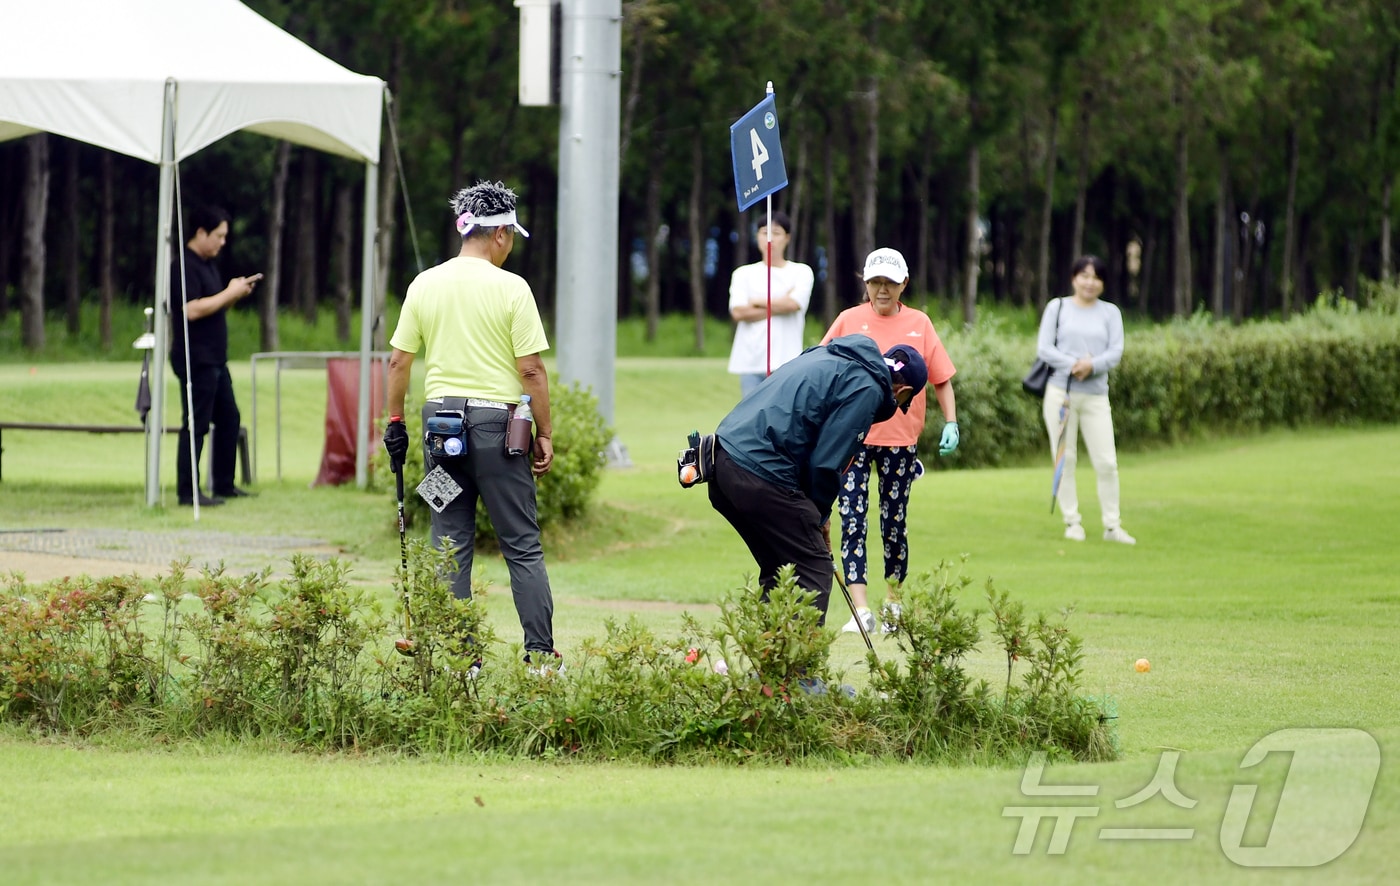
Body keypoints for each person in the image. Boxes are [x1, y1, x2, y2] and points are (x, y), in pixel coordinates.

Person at [382, 180, 561, 666]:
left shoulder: (424, 283)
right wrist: (544, 432)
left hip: (440, 431)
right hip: (499, 430)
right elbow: (530, 370)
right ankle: (540, 657)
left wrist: (395, 422)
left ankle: (463, 661)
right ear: (500, 233)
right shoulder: (512, 288)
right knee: (521, 545)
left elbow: (398, 363)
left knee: (449, 541)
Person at [708, 333, 928, 626]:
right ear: (904, 389)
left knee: (781, 568)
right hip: (760, 471)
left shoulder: (828, 356)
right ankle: (798, 672)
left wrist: (814, 514)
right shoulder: (868, 388)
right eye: (903, 402)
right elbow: (825, 464)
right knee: (813, 569)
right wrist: (819, 515)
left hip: (722, 460)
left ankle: (771, 669)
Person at [821, 247, 960, 635]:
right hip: (853, 437)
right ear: (865, 283)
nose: (882, 290)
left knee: (893, 522)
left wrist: (951, 422)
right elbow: (822, 363)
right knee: (852, 518)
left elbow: (941, 377)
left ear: (904, 284)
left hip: (901, 438)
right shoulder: (849, 319)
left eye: (890, 282)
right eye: (875, 282)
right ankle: (861, 607)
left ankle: (894, 602)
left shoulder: (920, 323)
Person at [1037, 254, 1135, 545]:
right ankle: (1072, 522)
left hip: (1095, 396)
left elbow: (1115, 351)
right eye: (1085, 276)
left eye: (1096, 277)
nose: (1090, 282)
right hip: (1060, 394)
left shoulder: (1110, 313)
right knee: (1065, 459)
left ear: (1102, 282)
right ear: (1074, 278)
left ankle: (1112, 525)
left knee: (1106, 462)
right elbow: (1044, 348)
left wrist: (1092, 365)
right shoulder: (1058, 307)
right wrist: (1074, 363)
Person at [169, 204, 260, 507]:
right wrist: (229, 292)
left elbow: (214, 306)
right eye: (219, 236)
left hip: (216, 358)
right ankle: (188, 492)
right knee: (196, 423)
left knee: (229, 418)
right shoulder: (183, 266)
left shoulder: (209, 264)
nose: (223, 242)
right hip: (196, 357)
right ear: (201, 232)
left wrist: (234, 295)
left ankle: (224, 484)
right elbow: (191, 309)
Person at [726, 211, 814, 397]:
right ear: (757, 236)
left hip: (787, 360)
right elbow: (739, 312)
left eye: (776, 233)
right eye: (764, 233)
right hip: (751, 361)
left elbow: (793, 304)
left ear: (787, 238)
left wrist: (757, 302)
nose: (770, 239)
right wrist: (779, 304)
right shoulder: (743, 274)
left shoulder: (801, 272)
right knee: (752, 420)